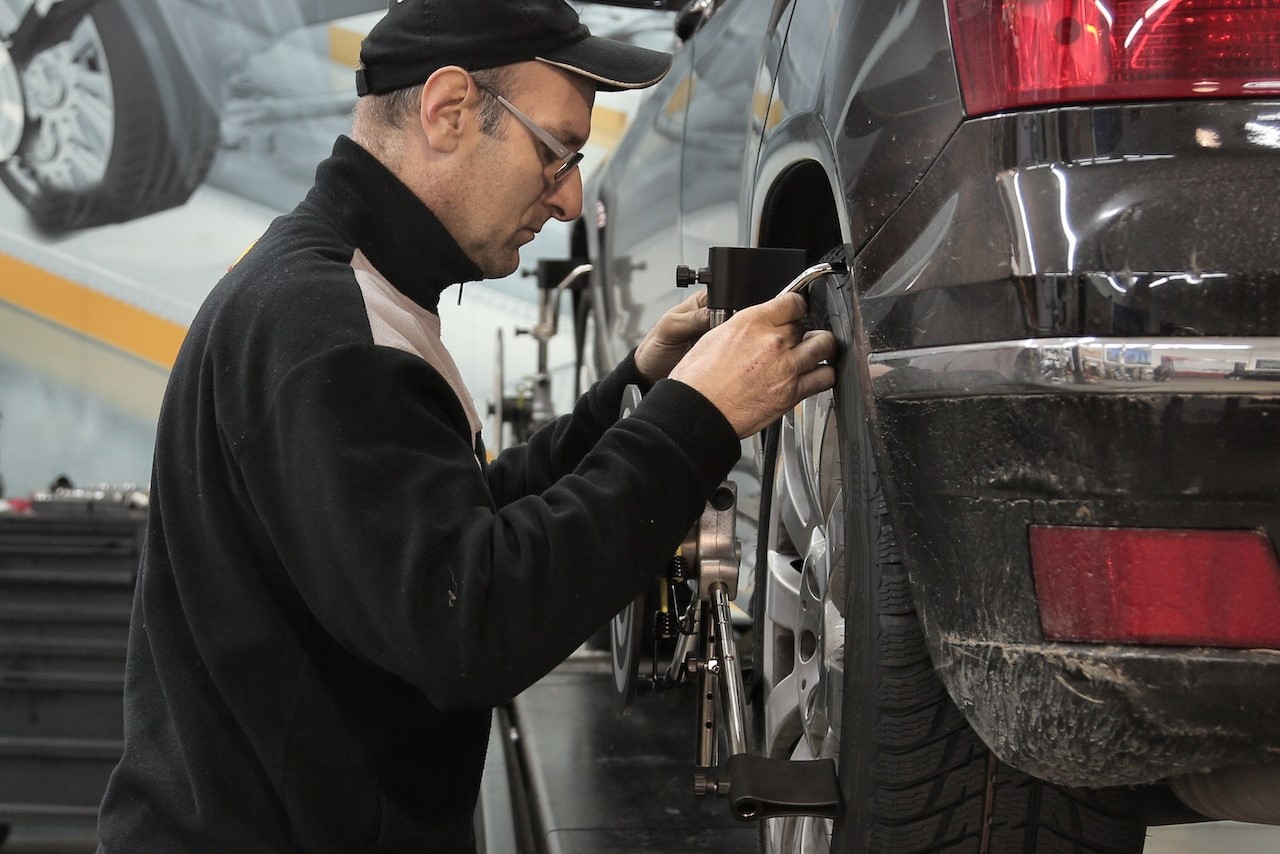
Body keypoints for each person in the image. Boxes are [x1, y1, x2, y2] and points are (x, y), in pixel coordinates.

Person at [95, 0, 837, 851]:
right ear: (449, 110)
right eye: (557, 152)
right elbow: (469, 620)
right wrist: (695, 421)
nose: (569, 200)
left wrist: (635, 394)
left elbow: (449, 524)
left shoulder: (348, 291)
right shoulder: (327, 331)